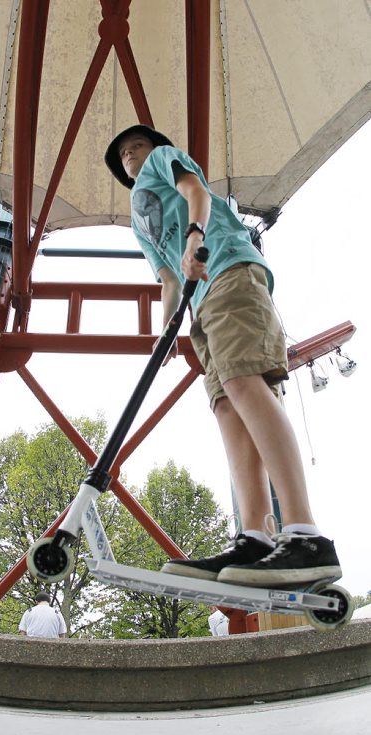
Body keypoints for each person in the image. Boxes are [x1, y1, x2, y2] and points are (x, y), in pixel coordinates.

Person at [104, 124, 341, 588]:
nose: (131, 154)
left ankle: (305, 532)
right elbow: (170, 279)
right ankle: (255, 536)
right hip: (199, 300)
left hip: (228, 268)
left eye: (137, 146)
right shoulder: (139, 220)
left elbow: (195, 191)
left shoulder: (163, 162)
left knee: (243, 382)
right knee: (227, 406)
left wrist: (196, 234)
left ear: (153, 149)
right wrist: (167, 331)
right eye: (124, 154)